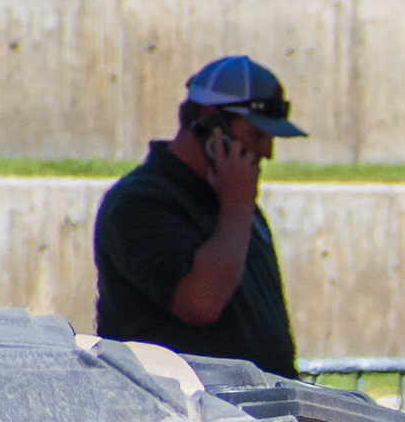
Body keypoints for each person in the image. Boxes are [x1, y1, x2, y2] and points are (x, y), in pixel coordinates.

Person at [92, 55, 305, 375]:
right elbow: (200, 301)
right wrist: (237, 208)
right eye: (256, 135)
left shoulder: (235, 204)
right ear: (210, 126)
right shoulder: (138, 203)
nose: (267, 152)